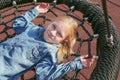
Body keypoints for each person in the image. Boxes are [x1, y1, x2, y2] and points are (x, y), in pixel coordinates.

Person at [0, 3, 96, 80]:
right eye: (54, 26)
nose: (53, 33)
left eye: (59, 34)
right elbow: (18, 24)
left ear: (63, 41)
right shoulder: (33, 29)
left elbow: (44, 75)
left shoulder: (49, 51)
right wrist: (36, 11)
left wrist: (75, 64)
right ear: (50, 23)